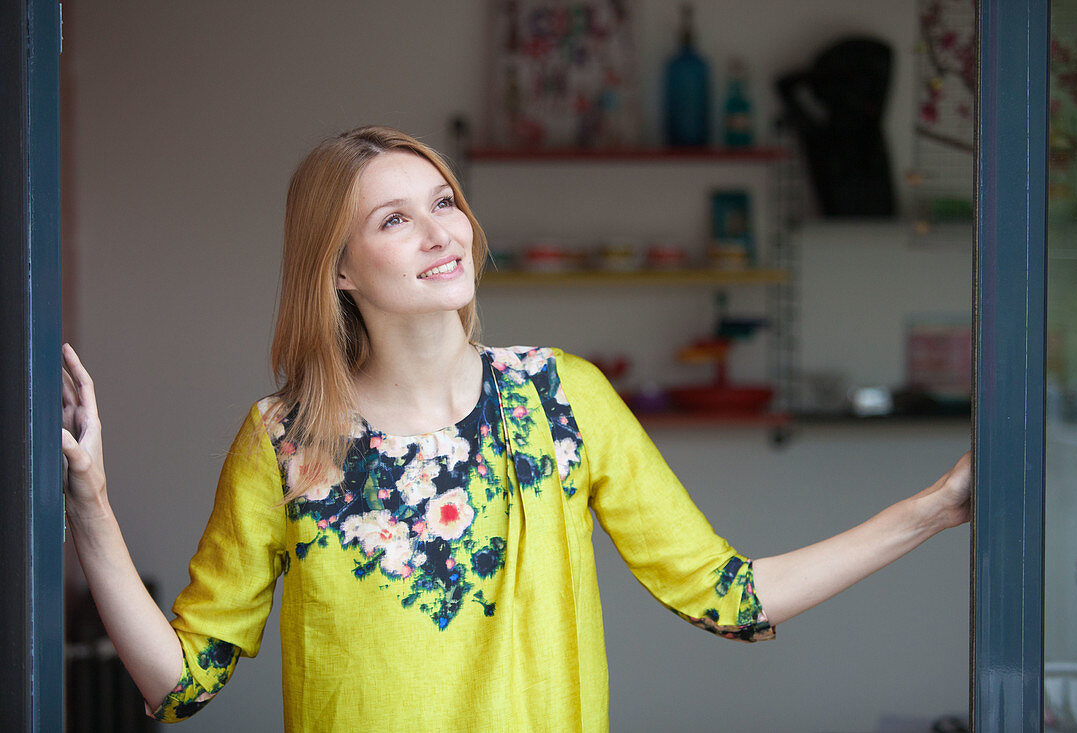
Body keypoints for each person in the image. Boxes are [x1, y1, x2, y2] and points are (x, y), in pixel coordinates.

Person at [61, 125, 972, 732]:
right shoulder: (284, 440)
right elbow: (179, 679)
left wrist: (935, 508)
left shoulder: (560, 400)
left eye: (445, 201)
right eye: (394, 217)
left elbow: (729, 597)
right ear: (337, 270)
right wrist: (91, 501)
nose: (439, 231)